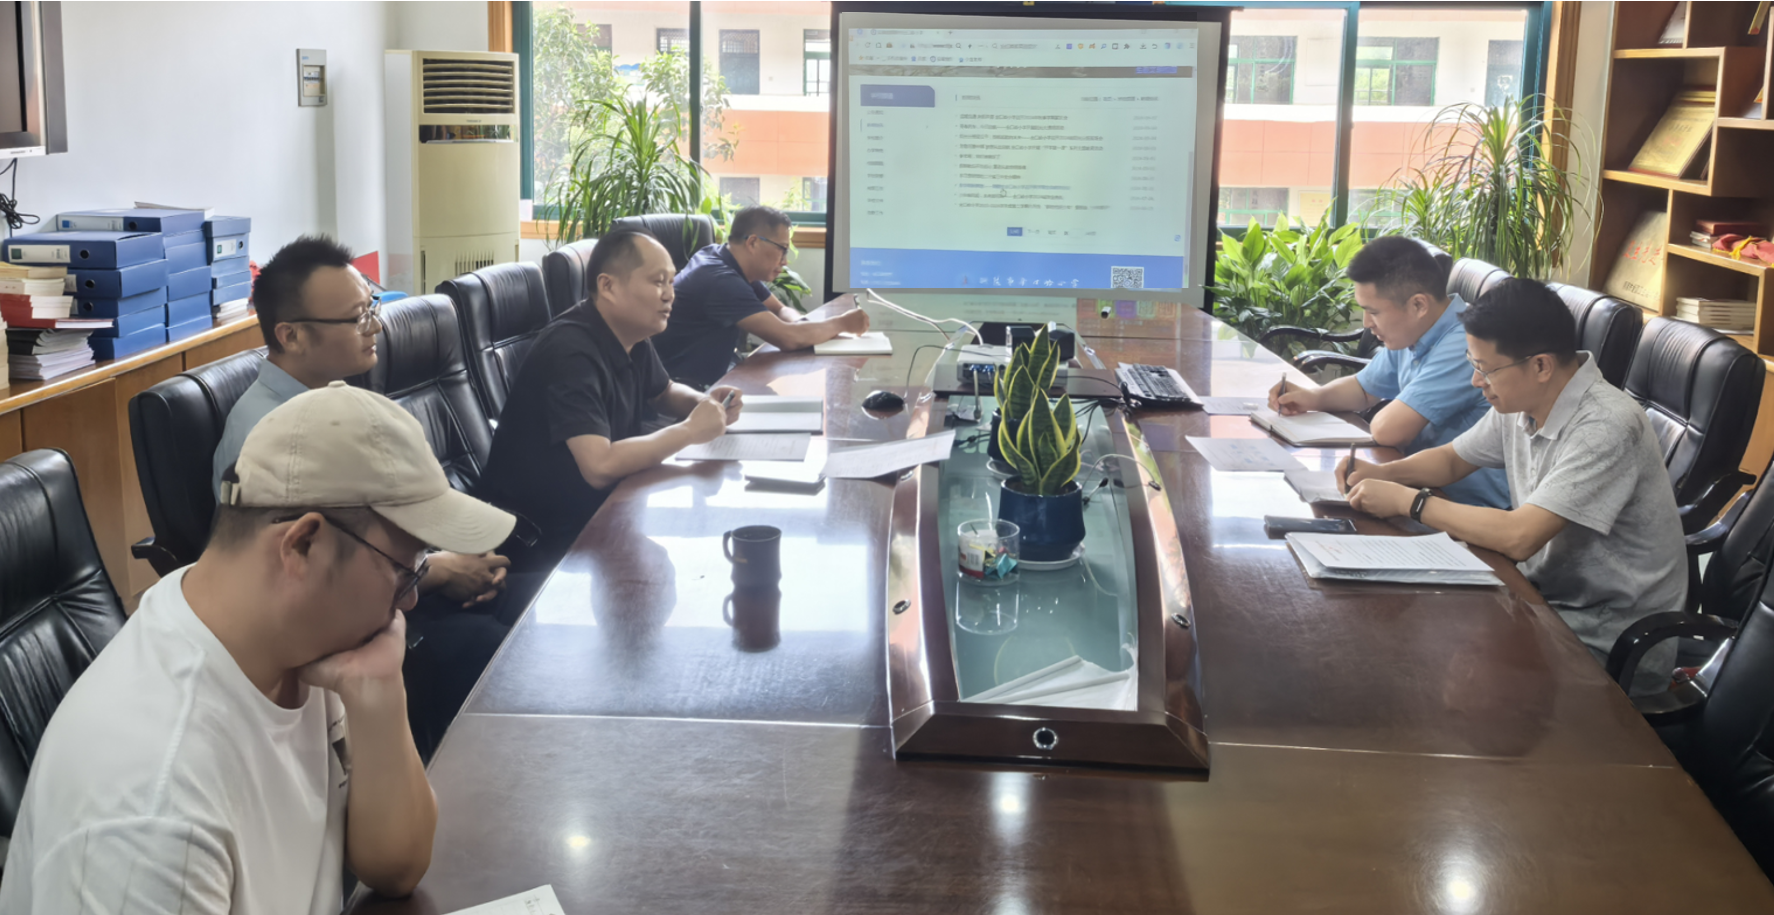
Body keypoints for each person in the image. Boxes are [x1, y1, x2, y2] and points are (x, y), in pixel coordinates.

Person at [1, 381, 516, 911]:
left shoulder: (291, 633)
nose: (409, 601)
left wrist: (381, 695)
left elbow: (397, 865)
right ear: (303, 544)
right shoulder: (151, 810)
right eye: (406, 570)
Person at [211, 235, 513, 757]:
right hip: (337, 626)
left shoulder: (336, 399)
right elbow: (314, 572)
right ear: (291, 335)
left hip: (386, 587)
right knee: (493, 651)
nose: (377, 325)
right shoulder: (268, 437)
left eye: (371, 307)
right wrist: (440, 570)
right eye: (356, 318)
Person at [1341, 278, 1684, 694]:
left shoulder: (1605, 425)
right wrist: (1383, 474)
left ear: (1540, 366)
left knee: (1426, 665)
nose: (1476, 381)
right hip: (1538, 598)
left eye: (1485, 369)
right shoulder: (1521, 399)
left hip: (1603, 638)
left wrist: (1410, 502)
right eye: (1472, 364)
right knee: (1402, 631)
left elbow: (1520, 537)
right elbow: (1452, 460)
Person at [481, 228, 742, 566]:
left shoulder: (629, 332)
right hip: (540, 544)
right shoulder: (570, 351)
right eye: (658, 282)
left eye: (671, 282)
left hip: (598, 513)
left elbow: (663, 391)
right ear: (608, 286)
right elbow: (599, 467)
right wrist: (691, 430)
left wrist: (704, 404)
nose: (669, 295)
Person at [1268, 236, 1509, 508]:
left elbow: (1390, 431)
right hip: (1421, 488)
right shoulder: (1412, 331)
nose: (1367, 324)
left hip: (1468, 506)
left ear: (1418, 305)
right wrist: (1312, 398)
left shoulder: (1466, 343)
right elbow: (1363, 389)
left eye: (1373, 312)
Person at [652, 205, 869, 388]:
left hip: (714, 378)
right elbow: (787, 338)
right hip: (681, 392)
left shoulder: (722, 257)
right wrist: (843, 323)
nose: (785, 261)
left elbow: (780, 309)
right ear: (753, 243)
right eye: (782, 249)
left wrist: (801, 324)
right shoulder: (720, 280)